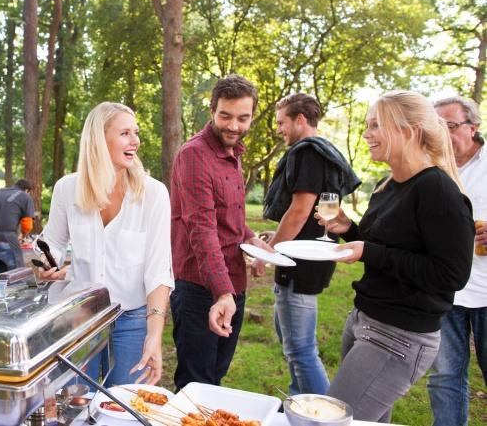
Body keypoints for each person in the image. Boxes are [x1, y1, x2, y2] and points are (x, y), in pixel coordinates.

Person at [320, 90, 474, 422]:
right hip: (363, 320)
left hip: (400, 335)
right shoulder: (387, 185)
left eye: (376, 125)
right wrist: (349, 229)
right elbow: (385, 247)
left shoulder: (437, 189)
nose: (366, 134)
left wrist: (370, 251)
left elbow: (451, 274)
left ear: (409, 130)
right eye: (366, 125)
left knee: (330, 420)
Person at [37, 102, 173, 386]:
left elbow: (159, 270)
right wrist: (45, 265)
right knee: (74, 404)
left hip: (132, 318)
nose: (135, 140)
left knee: (124, 407)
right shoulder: (67, 189)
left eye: (135, 133)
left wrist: (154, 334)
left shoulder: (154, 194)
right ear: (99, 139)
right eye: (125, 133)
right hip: (78, 317)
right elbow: (50, 245)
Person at [169, 74, 273, 390]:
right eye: (225, 116)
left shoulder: (233, 154)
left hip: (232, 284)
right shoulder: (194, 155)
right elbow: (202, 228)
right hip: (201, 288)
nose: (234, 126)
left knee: (215, 377)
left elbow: (231, 218)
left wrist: (252, 238)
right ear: (212, 110)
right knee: (196, 384)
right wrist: (222, 293)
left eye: (243, 118)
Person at [261, 93, 361, 396]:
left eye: (282, 122)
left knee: (301, 350)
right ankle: (299, 405)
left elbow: (300, 210)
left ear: (300, 120)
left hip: (300, 263)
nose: (279, 129)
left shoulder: (308, 153)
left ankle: (326, 415)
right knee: (292, 342)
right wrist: (275, 238)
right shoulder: (325, 151)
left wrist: (270, 250)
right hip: (309, 256)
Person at [428, 96, 487, 426]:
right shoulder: (435, 166)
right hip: (448, 290)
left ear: (473, 128)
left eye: (448, 126)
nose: (440, 133)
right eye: (435, 126)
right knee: (444, 378)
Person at [0, 179, 35, 291]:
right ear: (26, 190)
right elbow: (27, 224)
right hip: (7, 239)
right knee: (16, 275)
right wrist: (23, 235)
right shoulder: (25, 196)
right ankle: (14, 304)